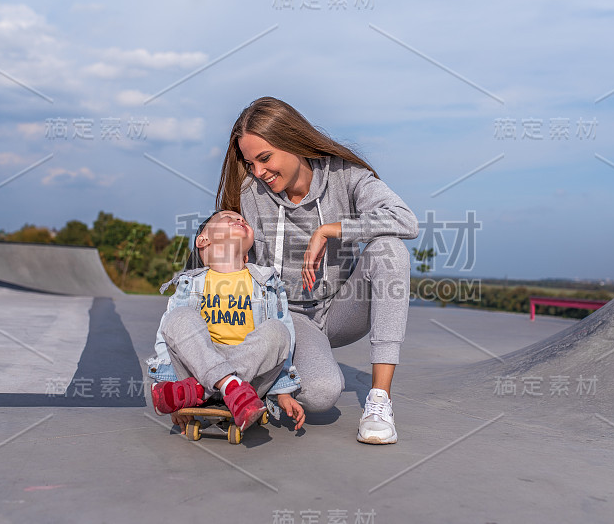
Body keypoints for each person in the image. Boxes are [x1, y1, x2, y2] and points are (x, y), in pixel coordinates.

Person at [216, 97, 419, 444]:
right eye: (250, 163)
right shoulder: (251, 192)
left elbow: (405, 219)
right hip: (289, 315)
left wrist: (331, 229)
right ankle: (254, 383)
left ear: (294, 142)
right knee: (322, 395)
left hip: (343, 308)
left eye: (265, 159)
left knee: (390, 250)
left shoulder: (346, 175)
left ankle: (379, 401)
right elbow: (226, 259)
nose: (258, 172)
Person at [146, 210, 305, 432]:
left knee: (278, 331)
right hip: (200, 362)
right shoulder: (190, 284)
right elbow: (170, 338)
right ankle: (226, 385)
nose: (239, 219)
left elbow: (283, 338)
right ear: (203, 240)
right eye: (228, 218)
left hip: (247, 368)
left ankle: (201, 390)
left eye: (242, 220)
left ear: (247, 255)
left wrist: (284, 389)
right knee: (177, 318)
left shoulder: (265, 282)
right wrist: (169, 381)